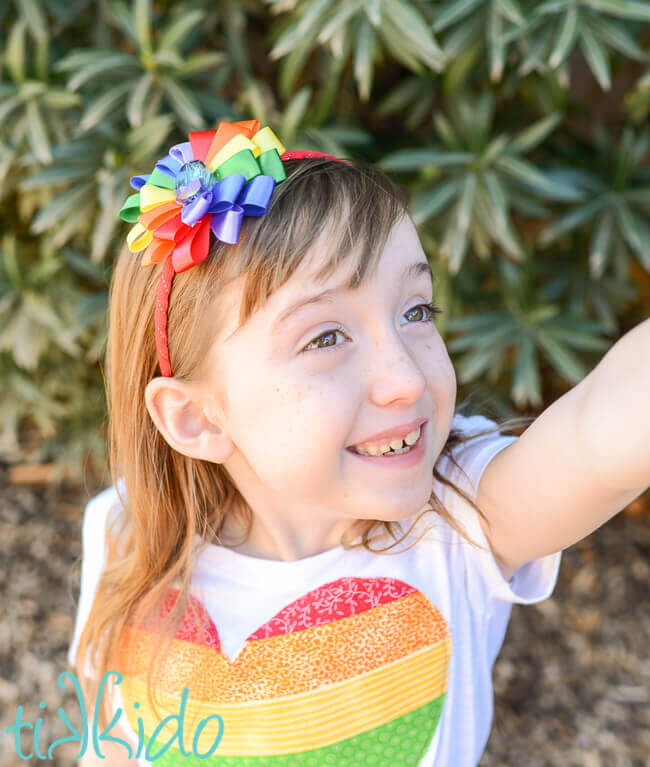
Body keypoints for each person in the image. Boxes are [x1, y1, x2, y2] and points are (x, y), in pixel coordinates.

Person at [67, 119, 649, 767]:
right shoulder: (128, 536)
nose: (404, 377)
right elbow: (111, 742)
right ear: (197, 419)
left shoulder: (458, 517)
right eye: (325, 338)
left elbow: (603, 434)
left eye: (416, 311)